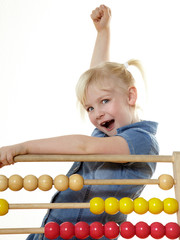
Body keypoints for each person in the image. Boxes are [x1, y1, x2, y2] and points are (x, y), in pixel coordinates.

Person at [0, 5, 159, 240]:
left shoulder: (139, 142)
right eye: (90, 108)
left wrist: (22, 147)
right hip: (52, 231)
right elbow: (97, 78)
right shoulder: (107, 133)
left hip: (87, 236)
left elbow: (84, 147)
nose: (97, 113)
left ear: (131, 96)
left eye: (105, 101)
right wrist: (103, 32)